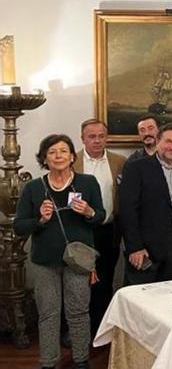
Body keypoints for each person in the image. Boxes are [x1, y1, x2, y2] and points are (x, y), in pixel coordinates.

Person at [14, 134, 105, 369]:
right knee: (48, 314)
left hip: (78, 261)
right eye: (52, 152)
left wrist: (88, 212)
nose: (58, 156)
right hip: (45, 261)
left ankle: (81, 360)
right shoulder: (34, 187)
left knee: (78, 312)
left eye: (63, 151)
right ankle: (48, 362)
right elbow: (19, 226)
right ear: (45, 158)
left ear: (73, 156)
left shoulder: (88, 183)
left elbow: (100, 217)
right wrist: (40, 219)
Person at [119, 122, 172, 284]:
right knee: (141, 295)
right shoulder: (136, 168)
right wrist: (135, 247)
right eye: (168, 141)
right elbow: (128, 211)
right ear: (158, 141)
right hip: (146, 244)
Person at [73, 119, 126, 337]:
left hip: (108, 230)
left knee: (104, 280)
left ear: (107, 137)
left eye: (101, 136)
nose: (97, 141)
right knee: (78, 282)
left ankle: (100, 329)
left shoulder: (119, 162)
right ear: (82, 138)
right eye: (91, 136)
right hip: (80, 231)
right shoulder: (71, 161)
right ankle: (77, 330)